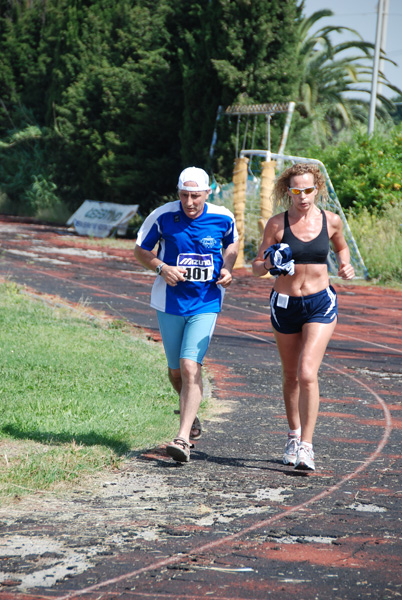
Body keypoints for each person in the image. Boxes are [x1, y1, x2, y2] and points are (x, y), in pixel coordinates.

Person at [252, 163, 355, 471]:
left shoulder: (331, 221)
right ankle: (293, 435)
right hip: (285, 304)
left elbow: (342, 248)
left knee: (308, 372)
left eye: (308, 190)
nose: (303, 196)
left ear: (317, 189)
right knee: (291, 375)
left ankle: (307, 448)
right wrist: (269, 262)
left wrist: (345, 266)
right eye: (296, 191)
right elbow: (255, 267)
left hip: (320, 303)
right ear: (289, 192)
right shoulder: (277, 224)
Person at [134, 166, 239, 463]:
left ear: (208, 193)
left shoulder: (223, 216)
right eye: (184, 195)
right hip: (169, 302)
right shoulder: (163, 216)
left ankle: (181, 438)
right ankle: (191, 415)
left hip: (206, 301)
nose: (190, 202)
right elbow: (140, 250)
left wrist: (228, 268)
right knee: (175, 371)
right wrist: (162, 268)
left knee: (190, 364)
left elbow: (232, 243)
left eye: (195, 196)